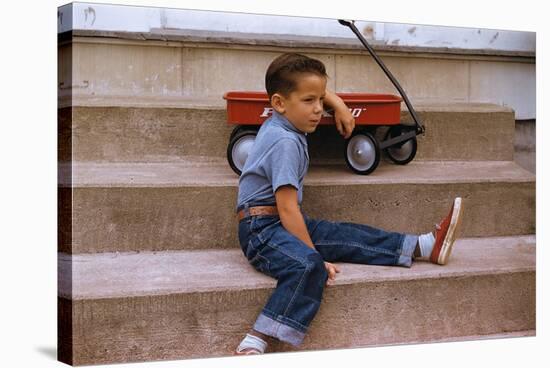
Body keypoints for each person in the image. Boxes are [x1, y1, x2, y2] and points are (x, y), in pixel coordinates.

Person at [233, 53, 464, 355]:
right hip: (261, 231)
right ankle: (256, 339)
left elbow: (313, 90)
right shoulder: (285, 142)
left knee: (343, 233)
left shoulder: (285, 124)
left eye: (320, 99)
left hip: (276, 222)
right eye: (309, 101)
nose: (318, 109)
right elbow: (288, 208)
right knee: (309, 266)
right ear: (279, 103)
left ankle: (423, 245)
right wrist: (310, 252)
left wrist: (338, 104)